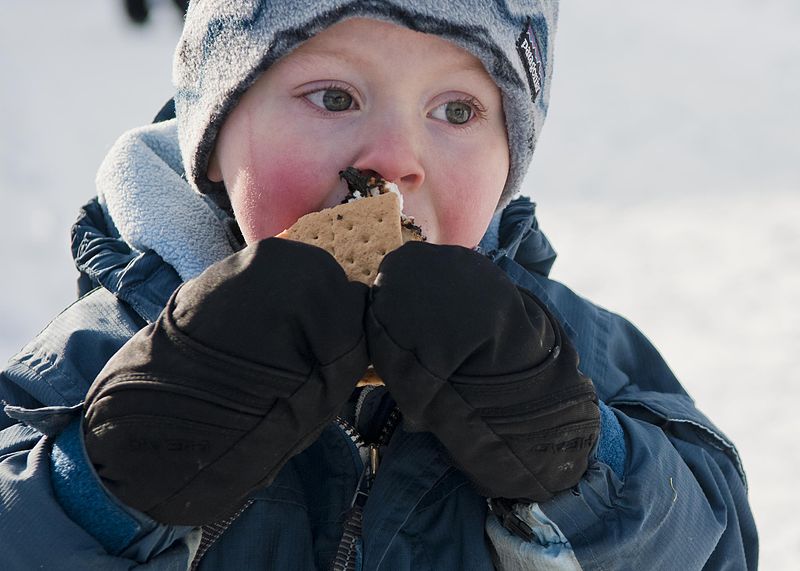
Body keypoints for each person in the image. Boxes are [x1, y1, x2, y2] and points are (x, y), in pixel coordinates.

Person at [0, 1, 757, 569]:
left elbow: (716, 539)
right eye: (334, 96)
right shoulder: (107, 352)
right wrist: (103, 485)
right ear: (215, 136)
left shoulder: (569, 351)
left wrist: (579, 466)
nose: (395, 158)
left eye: (456, 110)